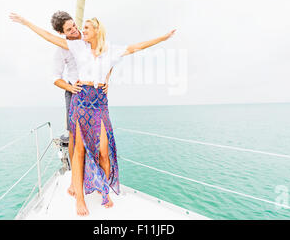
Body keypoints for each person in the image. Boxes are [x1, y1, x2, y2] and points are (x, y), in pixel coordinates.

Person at [10, 13, 176, 216]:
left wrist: (163, 38)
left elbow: (136, 47)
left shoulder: (110, 50)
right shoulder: (77, 47)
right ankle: (79, 199)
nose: (81, 31)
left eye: (86, 28)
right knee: (79, 149)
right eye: (78, 28)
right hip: (81, 98)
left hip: (100, 102)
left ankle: (103, 189)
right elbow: (49, 38)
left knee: (104, 151)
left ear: (97, 30)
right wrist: (27, 23)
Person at [10, 11, 110, 199]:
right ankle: (75, 178)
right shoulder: (62, 48)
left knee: (97, 136)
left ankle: (96, 177)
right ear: (61, 33)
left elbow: (106, 58)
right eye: (68, 30)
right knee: (74, 135)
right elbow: (55, 78)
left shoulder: (88, 37)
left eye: (74, 25)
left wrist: (106, 80)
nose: (74, 30)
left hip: (93, 94)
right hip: (74, 92)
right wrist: (70, 88)